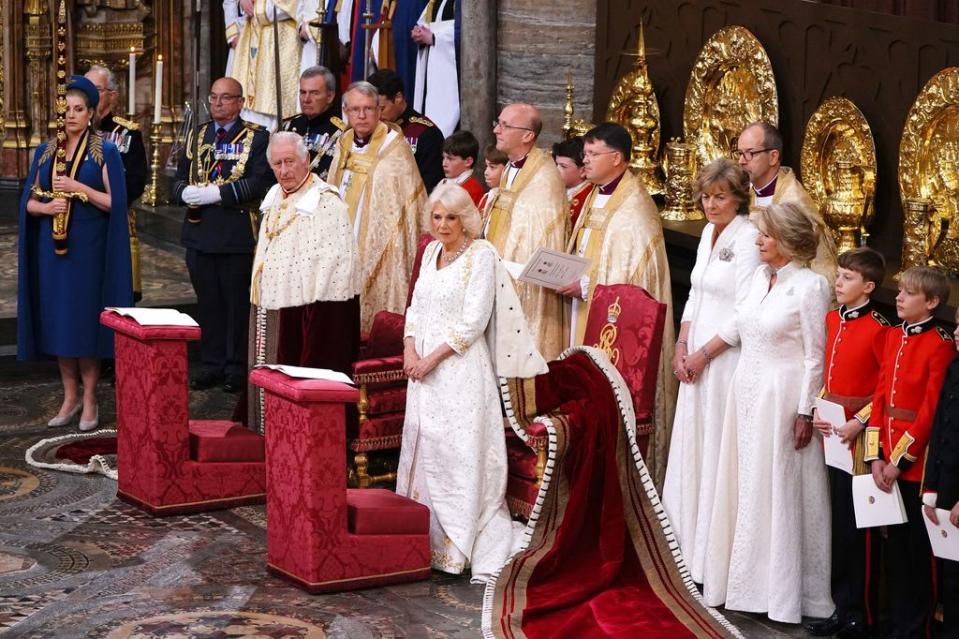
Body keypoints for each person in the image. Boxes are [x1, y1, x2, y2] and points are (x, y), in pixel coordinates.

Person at [398, 182, 542, 583]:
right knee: (423, 447)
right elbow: (415, 308)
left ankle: (456, 545)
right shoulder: (430, 252)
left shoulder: (481, 255)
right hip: (422, 372)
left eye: (452, 217)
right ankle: (416, 542)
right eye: (438, 217)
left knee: (457, 453)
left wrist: (431, 359)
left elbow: (474, 322)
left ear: (467, 219)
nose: (443, 225)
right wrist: (411, 351)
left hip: (459, 372)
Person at [703, 201, 834, 623]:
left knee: (776, 486)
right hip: (747, 388)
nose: (758, 240)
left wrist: (804, 412)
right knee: (745, 482)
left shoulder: (810, 286)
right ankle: (741, 582)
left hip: (783, 395)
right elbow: (738, 325)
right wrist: (699, 353)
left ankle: (781, 592)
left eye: (767, 235)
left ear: (790, 242)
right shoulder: (760, 276)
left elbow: (816, 356)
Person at [557, 122, 676, 487]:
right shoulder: (595, 194)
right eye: (585, 154)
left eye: (593, 155)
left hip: (607, 322)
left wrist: (587, 286)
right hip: (579, 309)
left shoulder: (634, 209)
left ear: (617, 158)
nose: (585, 161)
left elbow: (632, 284)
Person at [661, 158, 760, 583]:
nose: (711, 204)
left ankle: (713, 557)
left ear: (739, 198)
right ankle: (685, 545)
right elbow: (696, 296)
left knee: (716, 449)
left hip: (722, 360)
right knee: (692, 444)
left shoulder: (750, 236)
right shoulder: (706, 233)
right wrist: (681, 345)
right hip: (694, 356)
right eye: (706, 196)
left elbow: (744, 311)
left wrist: (704, 353)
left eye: (720, 197)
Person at [17, 75, 132, 431]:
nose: (70, 115)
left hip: (88, 252)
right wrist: (45, 209)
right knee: (60, 325)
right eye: (66, 109)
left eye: (78, 109)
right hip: (53, 252)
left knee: (83, 325)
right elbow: (29, 203)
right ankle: (69, 397)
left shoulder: (105, 150)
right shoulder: (46, 150)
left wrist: (79, 188)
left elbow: (116, 203)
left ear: (92, 113)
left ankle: (91, 398)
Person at [243, 131, 360, 428]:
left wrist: (313, 321)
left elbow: (336, 269)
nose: (284, 170)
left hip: (307, 315)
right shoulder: (275, 196)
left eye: (290, 162)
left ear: (306, 160)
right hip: (269, 306)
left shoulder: (326, 202)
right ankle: (264, 430)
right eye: (278, 164)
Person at [865, 266, 955, 638]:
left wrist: (899, 462)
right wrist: (875, 455)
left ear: (931, 302)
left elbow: (930, 413)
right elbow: (881, 395)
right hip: (885, 460)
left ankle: (915, 628)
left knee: (920, 556)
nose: (898, 297)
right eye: (899, 291)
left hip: (914, 471)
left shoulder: (941, 343)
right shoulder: (891, 337)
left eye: (908, 293)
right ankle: (897, 622)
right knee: (894, 552)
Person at [806, 247, 889, 639]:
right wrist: (820, 408)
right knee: (840, 522)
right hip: (833, 433)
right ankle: (842, 606)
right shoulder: (832, 318)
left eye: (848, 278)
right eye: (838, 276)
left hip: (861, 437)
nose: (838, 283)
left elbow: (885, 389)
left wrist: (859, 422)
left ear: (868, 286)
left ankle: (862, 614)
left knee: (861, 529)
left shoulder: (879, 327)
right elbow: (831, 374)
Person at [173, 77, 273, 392]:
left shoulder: (258, 138)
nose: (218, 103)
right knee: (208, 304)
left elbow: (260, 182)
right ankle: (211, 364)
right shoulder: (198, 134)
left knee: (235, 305)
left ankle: (235, 367)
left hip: (235, 236)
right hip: (200, 234)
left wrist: (217, 195)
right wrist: (185, 193)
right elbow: (176, 179)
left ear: (240, 103)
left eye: (226, 98)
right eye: (214, 97)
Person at [327, 81, 427, 331]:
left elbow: (401, 204)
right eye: (355, 109)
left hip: (379, 241)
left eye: (368, 109)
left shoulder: (394, 147)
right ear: (345, 112)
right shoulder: (344, 142)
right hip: (343, 233)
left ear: (379, 111)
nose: (361, 116)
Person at [485, 103, 568, 361]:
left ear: (527, 136)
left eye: (505, 125)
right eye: (498, 123)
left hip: (521, 282)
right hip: (495, 269)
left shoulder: (544, 177)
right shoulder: (511, 166)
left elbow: (535, 235)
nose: (497, 130)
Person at [736, 122, 838, 283]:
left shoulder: (794, 204)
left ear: (773, 157)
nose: (741, 161)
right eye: (740, 153)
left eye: (750, 153)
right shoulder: (741, 194)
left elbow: (819, 266)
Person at [85, 65, 147, 303]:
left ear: (112, 94)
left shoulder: (127, 133)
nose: (89, 94)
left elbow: (135, 181)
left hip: (113, 220)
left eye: (97, 89)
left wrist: (102, 197)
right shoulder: (72, 131)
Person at [923, 306, 959, 639]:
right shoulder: (955, 368)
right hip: (946, 484)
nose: (958, 332)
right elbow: (940, 429)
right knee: (949, 578)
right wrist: (931, 488)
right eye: (958, 323)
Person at [367, 69, 444, 193]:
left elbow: (430, 188)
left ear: (398, 97)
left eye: (382, 108)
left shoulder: (426, 134)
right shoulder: (370, 129)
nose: (377, 115)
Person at [229, 0, 302, 128]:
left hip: (280, 38)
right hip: (252, 34)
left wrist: (257, 6)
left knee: (272, 100)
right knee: (249, 106)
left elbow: (286, 6)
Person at [280, 66, 345, 181]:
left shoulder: (341, 134)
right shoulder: (288, 126)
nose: (306, 99)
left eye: (314, 93)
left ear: (330, 97)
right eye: (303, 92)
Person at [410, 0, 458, 136]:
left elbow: (468, 30)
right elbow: (423, 22)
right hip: (433, 64)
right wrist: (418, 32)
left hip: (450, 68)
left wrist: (435, 37)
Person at [551, 137, 591, 228]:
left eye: (563, 166)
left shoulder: (589, 197)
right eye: (556, 164)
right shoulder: (550, 187)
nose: (556, 170)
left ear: (583, 171)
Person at [439, 131, 483, 205]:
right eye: (444, 158)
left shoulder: (473, 190)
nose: (444, 164)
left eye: (450, 159)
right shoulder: (443, 183)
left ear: (468, 161)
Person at [478, 144, 507, 226]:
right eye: (486, 166)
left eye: (492, 167)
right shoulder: (486, 197)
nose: (486, 172)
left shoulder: (505, 201)